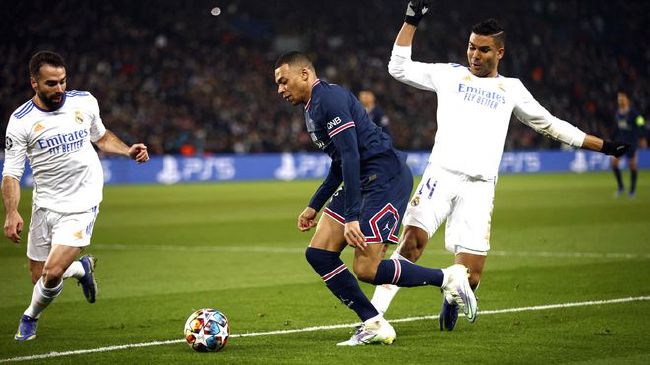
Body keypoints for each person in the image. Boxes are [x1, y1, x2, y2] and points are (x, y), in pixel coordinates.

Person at [369, 0, 631, 332]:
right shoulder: (449, 75)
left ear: (500, 53)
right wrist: (411, 21)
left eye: (483, 50)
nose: (474, 55)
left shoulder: (511, 90)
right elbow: (398, 67)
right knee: (411, 244)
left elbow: (550, 124)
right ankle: (372, 318)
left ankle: (451, 295)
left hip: (479, 188)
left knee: (472, 276)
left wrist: (604, 146)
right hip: (441, 176)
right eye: (471, 48)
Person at [274, 51, 477, 346]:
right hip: (361, 178)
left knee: (366, 269)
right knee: (318, 253)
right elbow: (340, 162)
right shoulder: (312, 107)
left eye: (283, 81)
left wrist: (352, 217)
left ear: (304, 74)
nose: (280, 89)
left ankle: (447, 278)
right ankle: (374, 323)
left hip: (384, 176)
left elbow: (351, 155)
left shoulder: (328, 100)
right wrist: (314, 205)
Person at [2, 50, 149, 341]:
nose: (59, 89)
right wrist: (12, 211)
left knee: (52, 272)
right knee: (39, 276)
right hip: (45, 203)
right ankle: (81, 270)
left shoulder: (84, 101)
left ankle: (29, 318)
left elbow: (101, 136)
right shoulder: (21, 121)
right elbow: (11, 173)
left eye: (62, 81)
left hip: (83, 200)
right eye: (51, 84)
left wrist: (127, 150)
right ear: (34, 83)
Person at [610, 89, 646, 198]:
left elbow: (641, 123)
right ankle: (621, 187)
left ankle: (632, 191)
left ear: (627, 99)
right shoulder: (618, 113)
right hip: (620, 141)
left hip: (632, 142)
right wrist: (611, 138)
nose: (620, 100)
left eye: (622, 97)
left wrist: (642, 137)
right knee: (614, 163)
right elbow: (617, 128)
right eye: (619, 98)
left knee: (632, 165)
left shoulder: (634, 113)